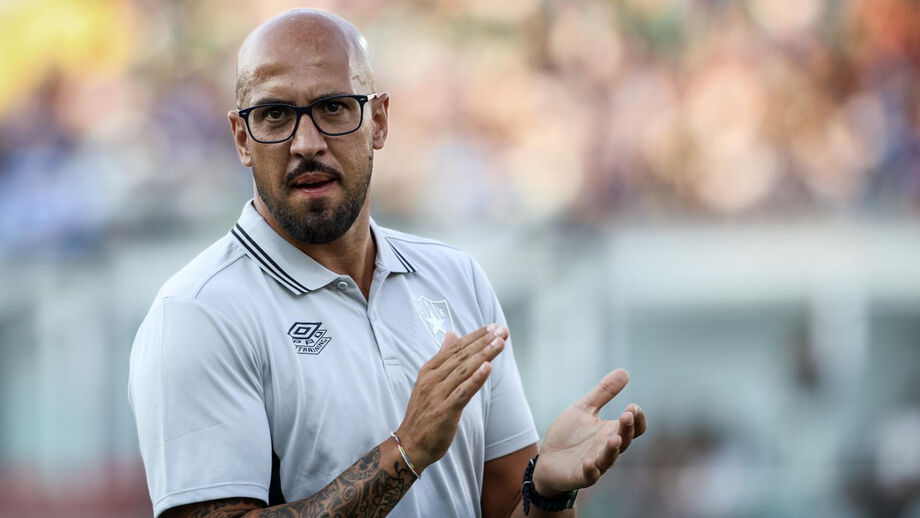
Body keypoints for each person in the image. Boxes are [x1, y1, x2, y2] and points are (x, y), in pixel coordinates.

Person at [128, 8, 646, 518]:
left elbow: (508, 504)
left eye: (333, 108)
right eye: (274, 115)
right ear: (242, 139)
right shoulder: (199, 313)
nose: (306, 144)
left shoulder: (454, 278)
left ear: (378, 120)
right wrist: (408, 450)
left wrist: (548, 494)